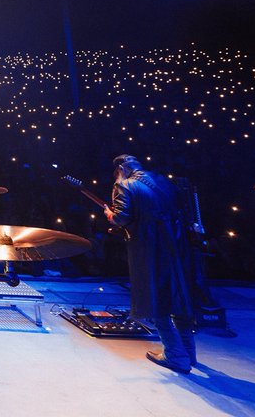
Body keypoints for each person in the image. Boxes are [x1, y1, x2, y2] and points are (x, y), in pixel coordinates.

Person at [103, 154, 196, 373]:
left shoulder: (125, 185)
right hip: (177, 243)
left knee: (155, 298)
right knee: (178, 297)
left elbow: (121, 218)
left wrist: (109, 214)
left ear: (121, 169)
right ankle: (189, 354)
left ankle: (175, 355)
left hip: (151, 246)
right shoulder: (163, 180)